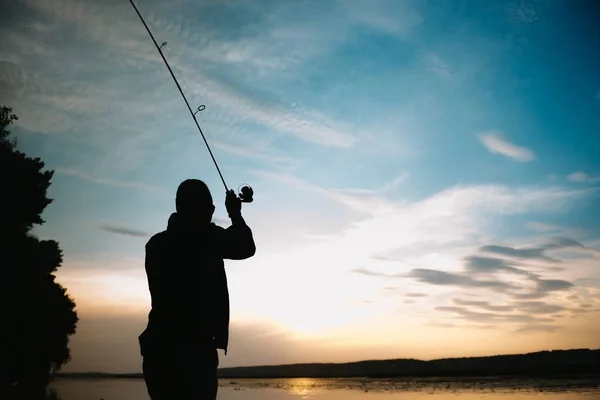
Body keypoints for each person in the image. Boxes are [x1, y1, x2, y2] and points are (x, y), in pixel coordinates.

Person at [139, 179, 256, 399]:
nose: (213, 210)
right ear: (202, 208)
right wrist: (235, 214)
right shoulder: (208, 238)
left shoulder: (155, 245)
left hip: (158, 351)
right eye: (210, 206)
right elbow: (246, 247)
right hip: (195, 352)